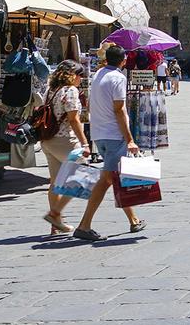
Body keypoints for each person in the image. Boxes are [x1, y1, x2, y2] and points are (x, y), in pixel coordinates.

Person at [72, 45, 145, 241]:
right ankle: (84, 226)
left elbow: (93, 104)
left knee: (116, 178)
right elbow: (119, 109)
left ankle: (134, 220)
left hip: (99, 135)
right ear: (123, 61)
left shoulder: (98, 74)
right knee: (106, 180)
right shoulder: (118, 78)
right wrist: (130, 140)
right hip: (114, 136)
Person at [39, 62, 94, 237]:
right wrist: (84, 143)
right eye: (79, 75)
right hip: (66, 140)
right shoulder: (70, 90)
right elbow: (73, 119)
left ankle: (56, 225)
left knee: (55, 182)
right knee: (82, 177)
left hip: (48, 140)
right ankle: (55, 214)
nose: (81, 79)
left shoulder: (51, 90)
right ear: (72, 75)